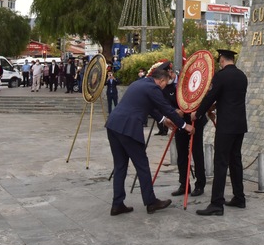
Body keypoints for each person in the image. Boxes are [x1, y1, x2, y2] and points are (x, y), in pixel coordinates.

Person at [105, 61, 192, 216]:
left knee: (120, 166)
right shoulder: (153, 88)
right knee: (142, 165)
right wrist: (184, 126)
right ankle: (151, 202)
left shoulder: (139, 84)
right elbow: (165, 107)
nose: (165, 87)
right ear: (162, 81)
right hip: (128, 128)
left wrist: (164, 121)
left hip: (113, 125)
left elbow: (151, 107)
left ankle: (117, 204)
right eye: (166, 83)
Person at [196, 49, 248, 216]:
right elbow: (230, 98)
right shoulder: (242, 76)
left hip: (226, 126)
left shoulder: (220, 76)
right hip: (240, 125)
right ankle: (239, 198)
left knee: (220, 162)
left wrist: (197, 113)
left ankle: (217, 203)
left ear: (222, 60)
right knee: (235, 160)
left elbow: (210, 97)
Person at [170, 66, 206, 198]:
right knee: (181, 154)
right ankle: (184, 184)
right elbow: (168, 103)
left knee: (197, 153)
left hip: (196, 121)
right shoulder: (175, 86)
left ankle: (200, 184)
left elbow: (205, 99)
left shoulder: (201, 83)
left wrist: (198, 112)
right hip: (180, 122)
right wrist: (175, 112)